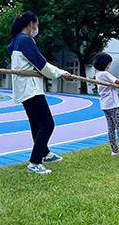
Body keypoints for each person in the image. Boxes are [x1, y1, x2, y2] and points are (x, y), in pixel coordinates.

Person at [6, 12, 71, 174]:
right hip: (30, 89)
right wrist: (60, 72)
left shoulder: (16, 41)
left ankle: (45, 153)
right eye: (36, 24)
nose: (37, 28)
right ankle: (35, 162)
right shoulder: (25, 40)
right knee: (47, 124)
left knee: (36, 124)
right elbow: (42, 65)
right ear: (30, 24)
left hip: (25, 88)